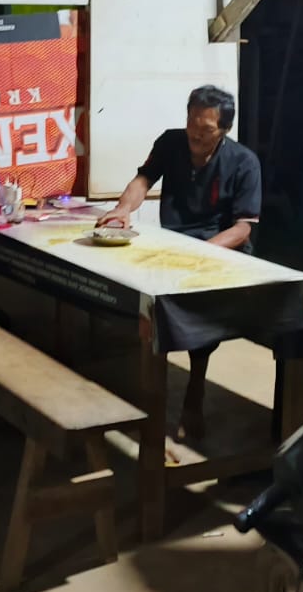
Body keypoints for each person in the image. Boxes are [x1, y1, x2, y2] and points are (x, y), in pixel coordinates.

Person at [99, 85, 262, 439]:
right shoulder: (171, 142)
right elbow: (144, 179)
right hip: (175, 243)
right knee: (145, 305)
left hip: (222, 250)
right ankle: (148, 398)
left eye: (206, 129)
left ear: (225, 129)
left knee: (200, 322)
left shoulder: (243, 162)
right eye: (191, 124)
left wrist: (201, 252)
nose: (195, 134)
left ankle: (194, 392)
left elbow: (243, 229)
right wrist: (123, 209)